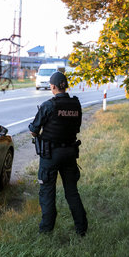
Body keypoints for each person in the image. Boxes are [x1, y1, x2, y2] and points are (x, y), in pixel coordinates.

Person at [29, 71, 88, 236]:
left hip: (50, 155)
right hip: (70, 152)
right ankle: (81, 229)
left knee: (47, 192)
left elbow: (34, 131)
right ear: (65, 86)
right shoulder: (76, 104)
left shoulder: (49, 105)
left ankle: (46, 230)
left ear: (53, 86)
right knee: (72, 191)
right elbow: (76, 128)